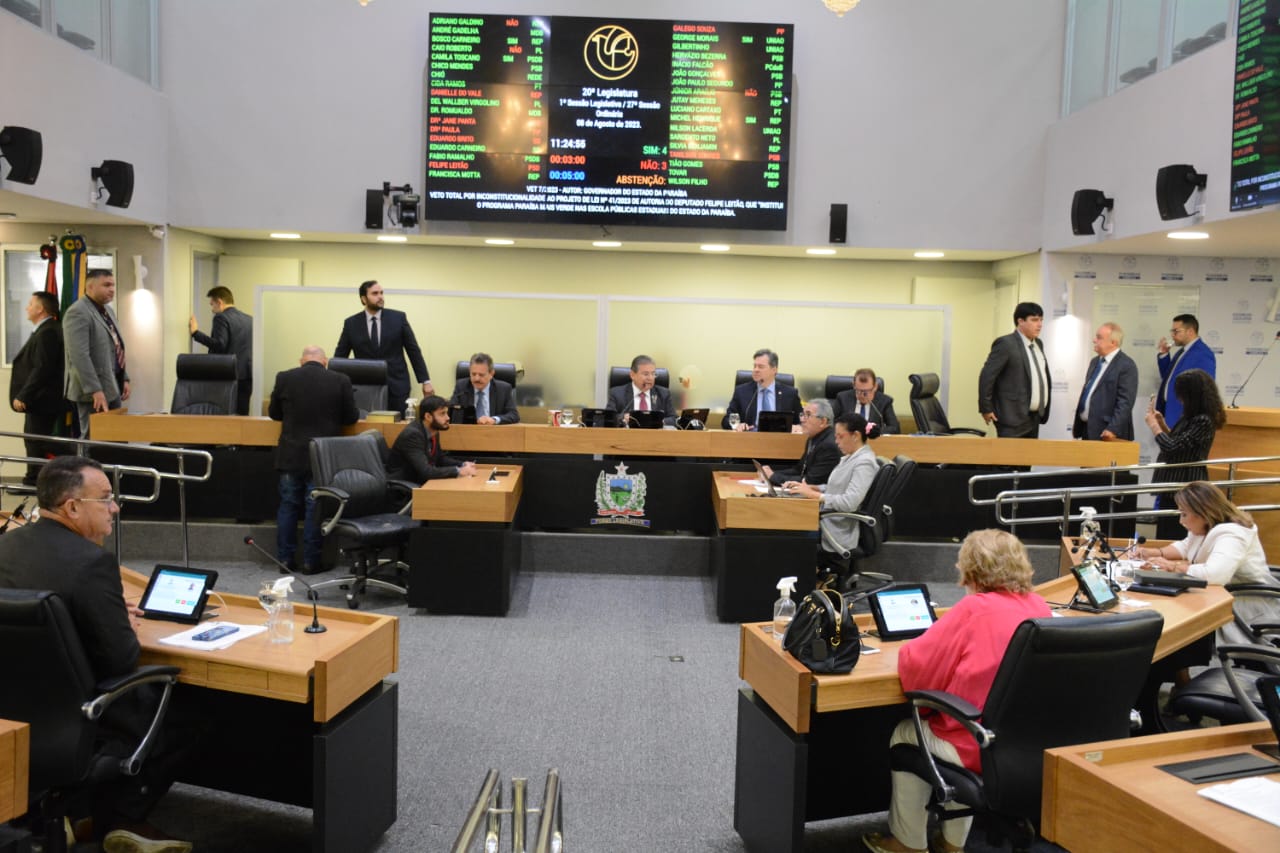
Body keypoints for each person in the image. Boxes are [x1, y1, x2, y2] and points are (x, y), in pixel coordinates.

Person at [0, 457, 191, 853]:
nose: (114, 508)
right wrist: (123, 624)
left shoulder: (6, 546)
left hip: (14, 711)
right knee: (191, 712)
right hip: (81, 717)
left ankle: (75, 814)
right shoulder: (93, 563)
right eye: (105, 498)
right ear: (72, 507)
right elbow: (122, 661)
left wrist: (109, 610)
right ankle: (123, 817)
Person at [861, 529, 1051, 853]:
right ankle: (952, 845)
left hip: (976, 744)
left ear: (970, 568)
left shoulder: (974, 609)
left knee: (906, 734)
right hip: (1026, 745)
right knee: (965, 729)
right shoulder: (1039, 607)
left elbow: (916, 667)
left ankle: (907, 843)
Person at [1137, 481, 1280, 645]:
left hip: (1242, 606)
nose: (1180, 521)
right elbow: (1186, 546)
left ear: (1203, 513)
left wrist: (1172, 567)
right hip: (1219, 596)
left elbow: (1214, 574)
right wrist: (1155, 552)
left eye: (1184, 514)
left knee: (1180, 626)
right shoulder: (1206, 527)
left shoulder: (1233, 534)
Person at [268, 345, 359, 574]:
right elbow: (351, 418)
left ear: (301, 361)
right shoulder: (340, 380)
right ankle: (311, 562)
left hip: (290, 454)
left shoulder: (284, 377)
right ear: (325, 362)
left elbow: (274, 413)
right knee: (314, 508)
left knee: (288, 506)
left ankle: (285, 560)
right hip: (321, 456)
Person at [1145, 368, 1225, 541]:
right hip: (1172, 485)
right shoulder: (1190, 417)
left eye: (1182, 395)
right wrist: (1162, 424)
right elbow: (1177, 441)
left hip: (1185, 485)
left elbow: (1172, 447)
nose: (1180, 400)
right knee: (1164, 532)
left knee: (1175, 534)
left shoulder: (1203, 420)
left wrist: (1154, 427)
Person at [789, 411, 881, 553]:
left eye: (840, 436)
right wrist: (814, 488)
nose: (836, 441)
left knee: (788, 531)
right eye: (835, 436)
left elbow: (849, 503)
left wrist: (816, 496)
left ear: (856, 435)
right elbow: (838, 487)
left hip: (836, 528)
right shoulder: (851, 457)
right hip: (829, 520)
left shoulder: (864, 463)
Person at [334, 280, 432, 410]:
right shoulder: (351, 323)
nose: (380, 297)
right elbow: (340, 358)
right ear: (363, 299)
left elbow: (413, 351)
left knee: (398, 421)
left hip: (397, 385)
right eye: (375, 293)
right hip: (365, 387)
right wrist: (333, 383)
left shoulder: (398, 318)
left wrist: (425, 381)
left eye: (381, 293)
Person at [63, 269, 130, 438]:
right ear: (90, 287)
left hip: (113, 384)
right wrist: (95, 390)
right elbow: (79, 356)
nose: (112, 289)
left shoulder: (108, 311)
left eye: (113, 285)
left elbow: (115, 346)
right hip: (92, 391)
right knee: (92, 438)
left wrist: (125, 377)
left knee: (114, 438)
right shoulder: (77, 312)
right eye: (106, 285)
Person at [9, 291, 65, 485]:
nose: (27, 308)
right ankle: (33, 479)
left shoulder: (48, 332)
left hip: (42, 398)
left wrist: (24, 395)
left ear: (40, 309)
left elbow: (43, 368)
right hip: (40, 399)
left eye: (30, 304)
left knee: (37, 441)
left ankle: (35, 481)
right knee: (33, 440)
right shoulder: (45, 330)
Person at [977, 302, 1050, 438]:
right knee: (1009, 453)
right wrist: (986, 408)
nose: (1039, 324)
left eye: (1041, 320)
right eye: (1034, 320)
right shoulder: (1006, 344)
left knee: (1030, 453)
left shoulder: (1038, 344)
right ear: (1020, 321)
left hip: (1034, 418)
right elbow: (987, 376)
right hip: (1011, 418)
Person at [188, 285, 253, 415]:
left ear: (219, 302)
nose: (212, 309)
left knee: (224, 416)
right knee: (242, 415)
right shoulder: (249, 319)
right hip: (247, 375)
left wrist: (195, 333)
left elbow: (219, 345)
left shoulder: (221, 317)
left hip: (227, 375)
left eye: (212, 304)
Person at [386, 395, 477, 482]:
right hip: (405, 482)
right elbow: (426, 471)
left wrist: (462, 464)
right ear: (428, 416)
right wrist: (458, 471)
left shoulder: (433, 430)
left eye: (447, 413)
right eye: (442, 414)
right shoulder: (413, 435)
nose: (448, 418)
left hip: (421, 480)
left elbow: (440, 459)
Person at [1072, 322, 1138, 441]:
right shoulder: (1094, 362)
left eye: (1099, 337)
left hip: (1107, 433)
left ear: (1113, 342)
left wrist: (1113, 429)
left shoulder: (1126, 365)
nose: (1094, 340)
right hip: (1087, 429)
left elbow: (1125, 402)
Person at [761, 398, 841, 487]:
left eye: (808, 415)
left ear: (823, 421)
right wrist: (771, 473)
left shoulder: (829, 446)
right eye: (802, 415)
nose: (802, 420)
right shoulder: (813, 438)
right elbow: (798, 470)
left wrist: (773, 477)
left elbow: (811, 481)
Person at [1156, 313, 1216, 428]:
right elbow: (1168, 378)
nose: (1173, 335)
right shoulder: (1182, 352)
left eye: (1176, 331)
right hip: (1169, 414)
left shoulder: (1203, 354)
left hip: (1184, 418)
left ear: (1190, 331)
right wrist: (1164, 355)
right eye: (1172, 331)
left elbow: (1205, 390)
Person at [722, 348, 803, 430]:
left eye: (761, 367)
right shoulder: (742, 392)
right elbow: (726, 419)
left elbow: (802, 420)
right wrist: (737, 425)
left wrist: (799, 427)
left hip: (780, 437)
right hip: (750, 436)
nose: (756, 370)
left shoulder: (790, 394)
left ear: (774, 370)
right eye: (754, 366)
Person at [605, 354, 676, 426]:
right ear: (632, 375)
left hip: (655, 432)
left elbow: (674, 418)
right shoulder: (617, 393)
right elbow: (608, 418)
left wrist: (659, 421)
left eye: (653, 374)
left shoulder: (663, 394)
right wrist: (623, 418)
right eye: (646, 374)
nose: (650, 378)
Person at [449, 352, 519, 424]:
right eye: (473, 374)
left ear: (491, 374)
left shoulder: (503, 389)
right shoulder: (461, 386)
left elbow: (514, 415)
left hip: (493, 430)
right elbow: (451, 412)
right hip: (468, 430)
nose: (477, 379)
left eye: (481, 375)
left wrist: (494, 420)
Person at [831, 368, 901, 434]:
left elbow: (894, 428)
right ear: (854, 385)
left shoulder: (884, 401)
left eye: (866, 392)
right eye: (859, 391)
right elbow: (831, 423)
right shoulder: (843, 398)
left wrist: (873, 431)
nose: (862, 395)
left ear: (875, 387)